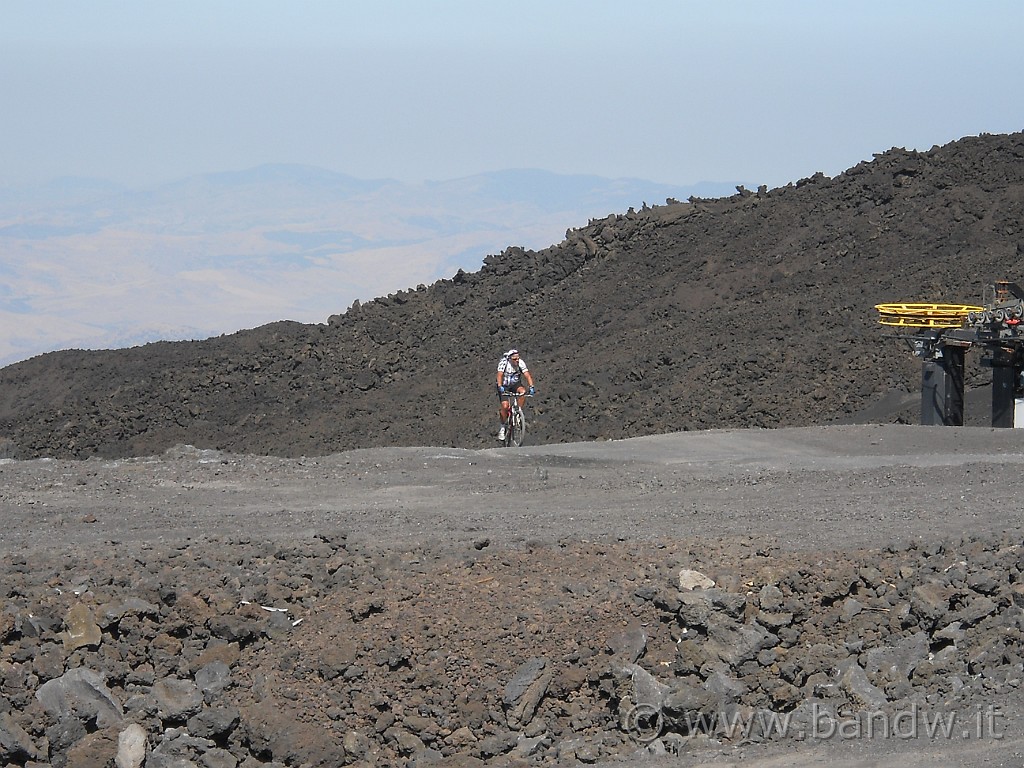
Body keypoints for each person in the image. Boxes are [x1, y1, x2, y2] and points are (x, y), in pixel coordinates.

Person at [495, 348, 535, 441]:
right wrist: (500, 386)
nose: (517, 360)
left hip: (515, 384)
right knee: (505, 406)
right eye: (514, 359)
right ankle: (502, 426)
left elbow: (527, 375)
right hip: (504, 385)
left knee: (523, 392)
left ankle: (518, 412)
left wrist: (531, 386)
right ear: (509, 359)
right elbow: (500, 375)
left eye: (518, 358)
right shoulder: (503, 363)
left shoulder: (520, 363)